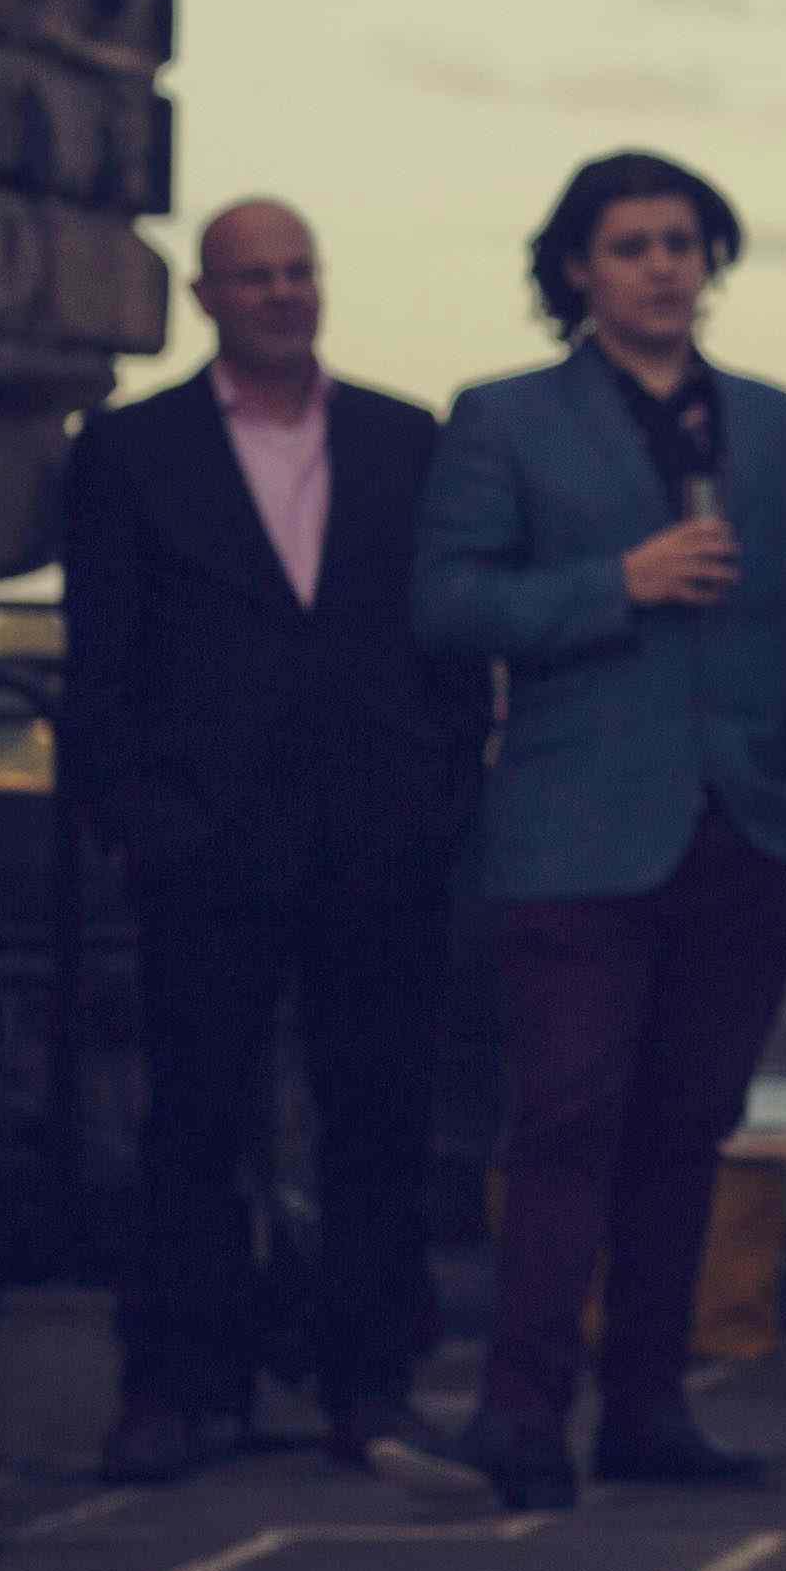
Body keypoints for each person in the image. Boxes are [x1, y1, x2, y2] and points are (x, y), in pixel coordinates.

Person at [398, 152, 786, 1513]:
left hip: (751, 825)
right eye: (633, 245)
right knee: (564, 1117)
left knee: (690, 1123)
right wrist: (620, 582)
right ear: (576, 274)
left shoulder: (782, 427)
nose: (664, 265)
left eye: (684, 242)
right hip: (575, 826)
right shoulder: (504, 420)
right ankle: (522, 1412)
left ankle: (652, 1406)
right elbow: (447, 604)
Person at [55, 200, 487, 1485]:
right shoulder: (132, 451)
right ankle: (177, 1384)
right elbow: (105, 657)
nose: (285, 294)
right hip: (208, 837)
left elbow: (450, 643)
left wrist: (439, 792)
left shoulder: (407, 440)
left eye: (301, 271)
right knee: (191, 1116)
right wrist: (141, 820)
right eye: (257, 277)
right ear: (207, 297)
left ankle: (372, 1382)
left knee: (382, 1116)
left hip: (376, 832)